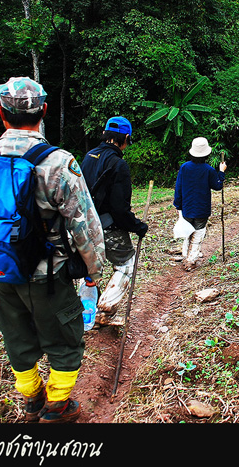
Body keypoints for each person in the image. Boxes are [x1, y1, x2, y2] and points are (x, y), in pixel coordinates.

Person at [0, 77, 105, 423]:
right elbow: (84, 225)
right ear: (44, 111)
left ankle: (32, 400)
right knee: (64, 340)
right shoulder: (58, 163)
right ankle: (58, 407)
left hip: (0, 270)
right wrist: (93, 271)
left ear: (1, 113)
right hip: (47, 276)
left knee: (17, 338)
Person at [80, 116, 149, 324]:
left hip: (84, 226)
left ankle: (85, 313)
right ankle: (105, 309)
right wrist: (138, 226)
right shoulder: (118, 164)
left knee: (90, 269)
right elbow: (119, 209)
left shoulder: (88, 157)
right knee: (126, 265)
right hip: (107, 226)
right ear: (125, 138)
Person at [173, 137, 226, 271]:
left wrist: (178, 205)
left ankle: (186, 255)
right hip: (202, 208)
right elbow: (217, 186)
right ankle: (191, 260)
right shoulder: (209, 170)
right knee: (198, 233)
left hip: (187, 206)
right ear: (207, 154)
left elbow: (178, 187)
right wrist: (222, 171)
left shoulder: (184, 167)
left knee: (188, 231)